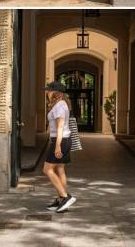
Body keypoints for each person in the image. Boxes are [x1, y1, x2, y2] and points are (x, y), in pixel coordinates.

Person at [42, 81, 77, 213]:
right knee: (60, 170)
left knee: (47, 169)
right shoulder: (60, 104)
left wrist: (57, 146)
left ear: (55, 92)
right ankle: (61, 201)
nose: (46, 92)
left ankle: (65, 196)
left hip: (60, 141)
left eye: (49, 90)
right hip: (64, 140)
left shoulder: (59, 106)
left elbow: (60, 127)